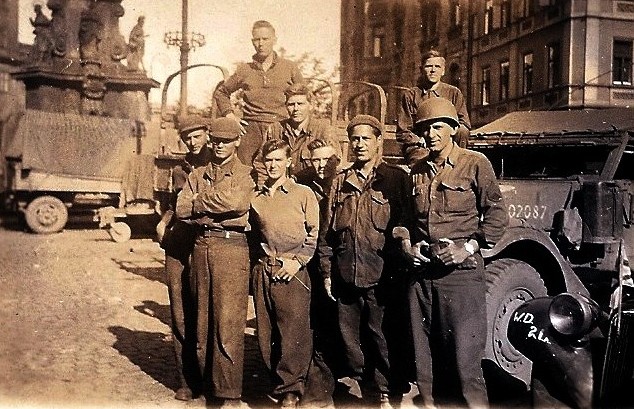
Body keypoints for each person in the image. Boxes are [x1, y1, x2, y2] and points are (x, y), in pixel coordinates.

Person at [394, 97, 508, 408]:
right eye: (425, 128)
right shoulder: (415, 171)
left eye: (438, 127)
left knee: (465, 361)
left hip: (461, 274)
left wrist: (467, 248)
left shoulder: (475, 163)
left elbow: (497, 215)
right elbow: (405, 219)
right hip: (422, 276)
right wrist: (407, 245)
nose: (431, 134)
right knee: (425, 360)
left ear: (454, 129)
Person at [318, 115, 409, 409]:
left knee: (383, 337)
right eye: (354, 139)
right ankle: (368, 389)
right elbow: (327, 230)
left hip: (382, 276)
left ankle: (386, 393)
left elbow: (408, 224)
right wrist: (326, 271)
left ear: (379, 141)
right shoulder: (341, 182)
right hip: (346, 273)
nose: (359, 145)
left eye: (366, 139)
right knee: (351, 341)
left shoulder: (395, 179)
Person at [175, 117, 255, 409]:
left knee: (228, 323)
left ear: (237, 142)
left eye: (226, 141)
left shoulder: (246, 173)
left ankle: (229, 393)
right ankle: (208, 387)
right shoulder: (197, 174)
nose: (219, 145)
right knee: (202, 321)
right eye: (216, 140)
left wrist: (200, 203)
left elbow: (238, 204)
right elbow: (181, 209)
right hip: (201, 246)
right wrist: (209, 204)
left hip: (231, 247)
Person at [250, 139, 320, 409]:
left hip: (293, 269)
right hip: (265, 267)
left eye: (278, 160)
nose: (273, 165)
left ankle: (291, 390)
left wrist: (297, 262)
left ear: (289, 162)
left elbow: (314, 234)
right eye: (268, 160)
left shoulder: (303, 194)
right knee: (266, 332)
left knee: (293, 332)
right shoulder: (256, 198)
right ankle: (275, 382)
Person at [160, 115, 212, 402]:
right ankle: (186, 380)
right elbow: (170, 202)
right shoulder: (179, 169)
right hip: (178, 244)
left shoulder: (214, 164)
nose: (192, 142)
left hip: (205, 244)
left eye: (196, 135)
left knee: (205, 312)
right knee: (180, 314)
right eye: (187, 137)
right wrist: (163, 221)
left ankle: (209, 378)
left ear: (206, 133)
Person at [294, 138, 342, 409]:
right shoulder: (303, 183)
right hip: (311, 262)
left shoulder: (344, 181)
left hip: (340, 260)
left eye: (327, 159)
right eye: (315, 160)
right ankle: (317, 391)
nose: (322, 165)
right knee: (314, 326)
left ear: (338, 157)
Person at [213, 20, 304, 165]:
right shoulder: (244, 69)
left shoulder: (289, 67)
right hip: (251, 130)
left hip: (281, 126)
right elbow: (221, 93)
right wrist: (230, 116)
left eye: (265, 39)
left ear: (274, 40)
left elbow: (303, 95)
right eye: (257, 39)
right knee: (247, 171)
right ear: (252, 41)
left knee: (280, 168)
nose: (261, 43)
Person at [397, 49, 471, 164]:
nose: (433, 70)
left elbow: (464, 123)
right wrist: (419, 141)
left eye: (437, 66)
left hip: (446, 144)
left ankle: (458, 166)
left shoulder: (453, 93)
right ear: (421, 70)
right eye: (428, 66)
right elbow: (403, 131)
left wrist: (445, 140)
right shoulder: (411, 95)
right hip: (420, 146)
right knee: (422, 165)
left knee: (462, 132)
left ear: (443, 71)